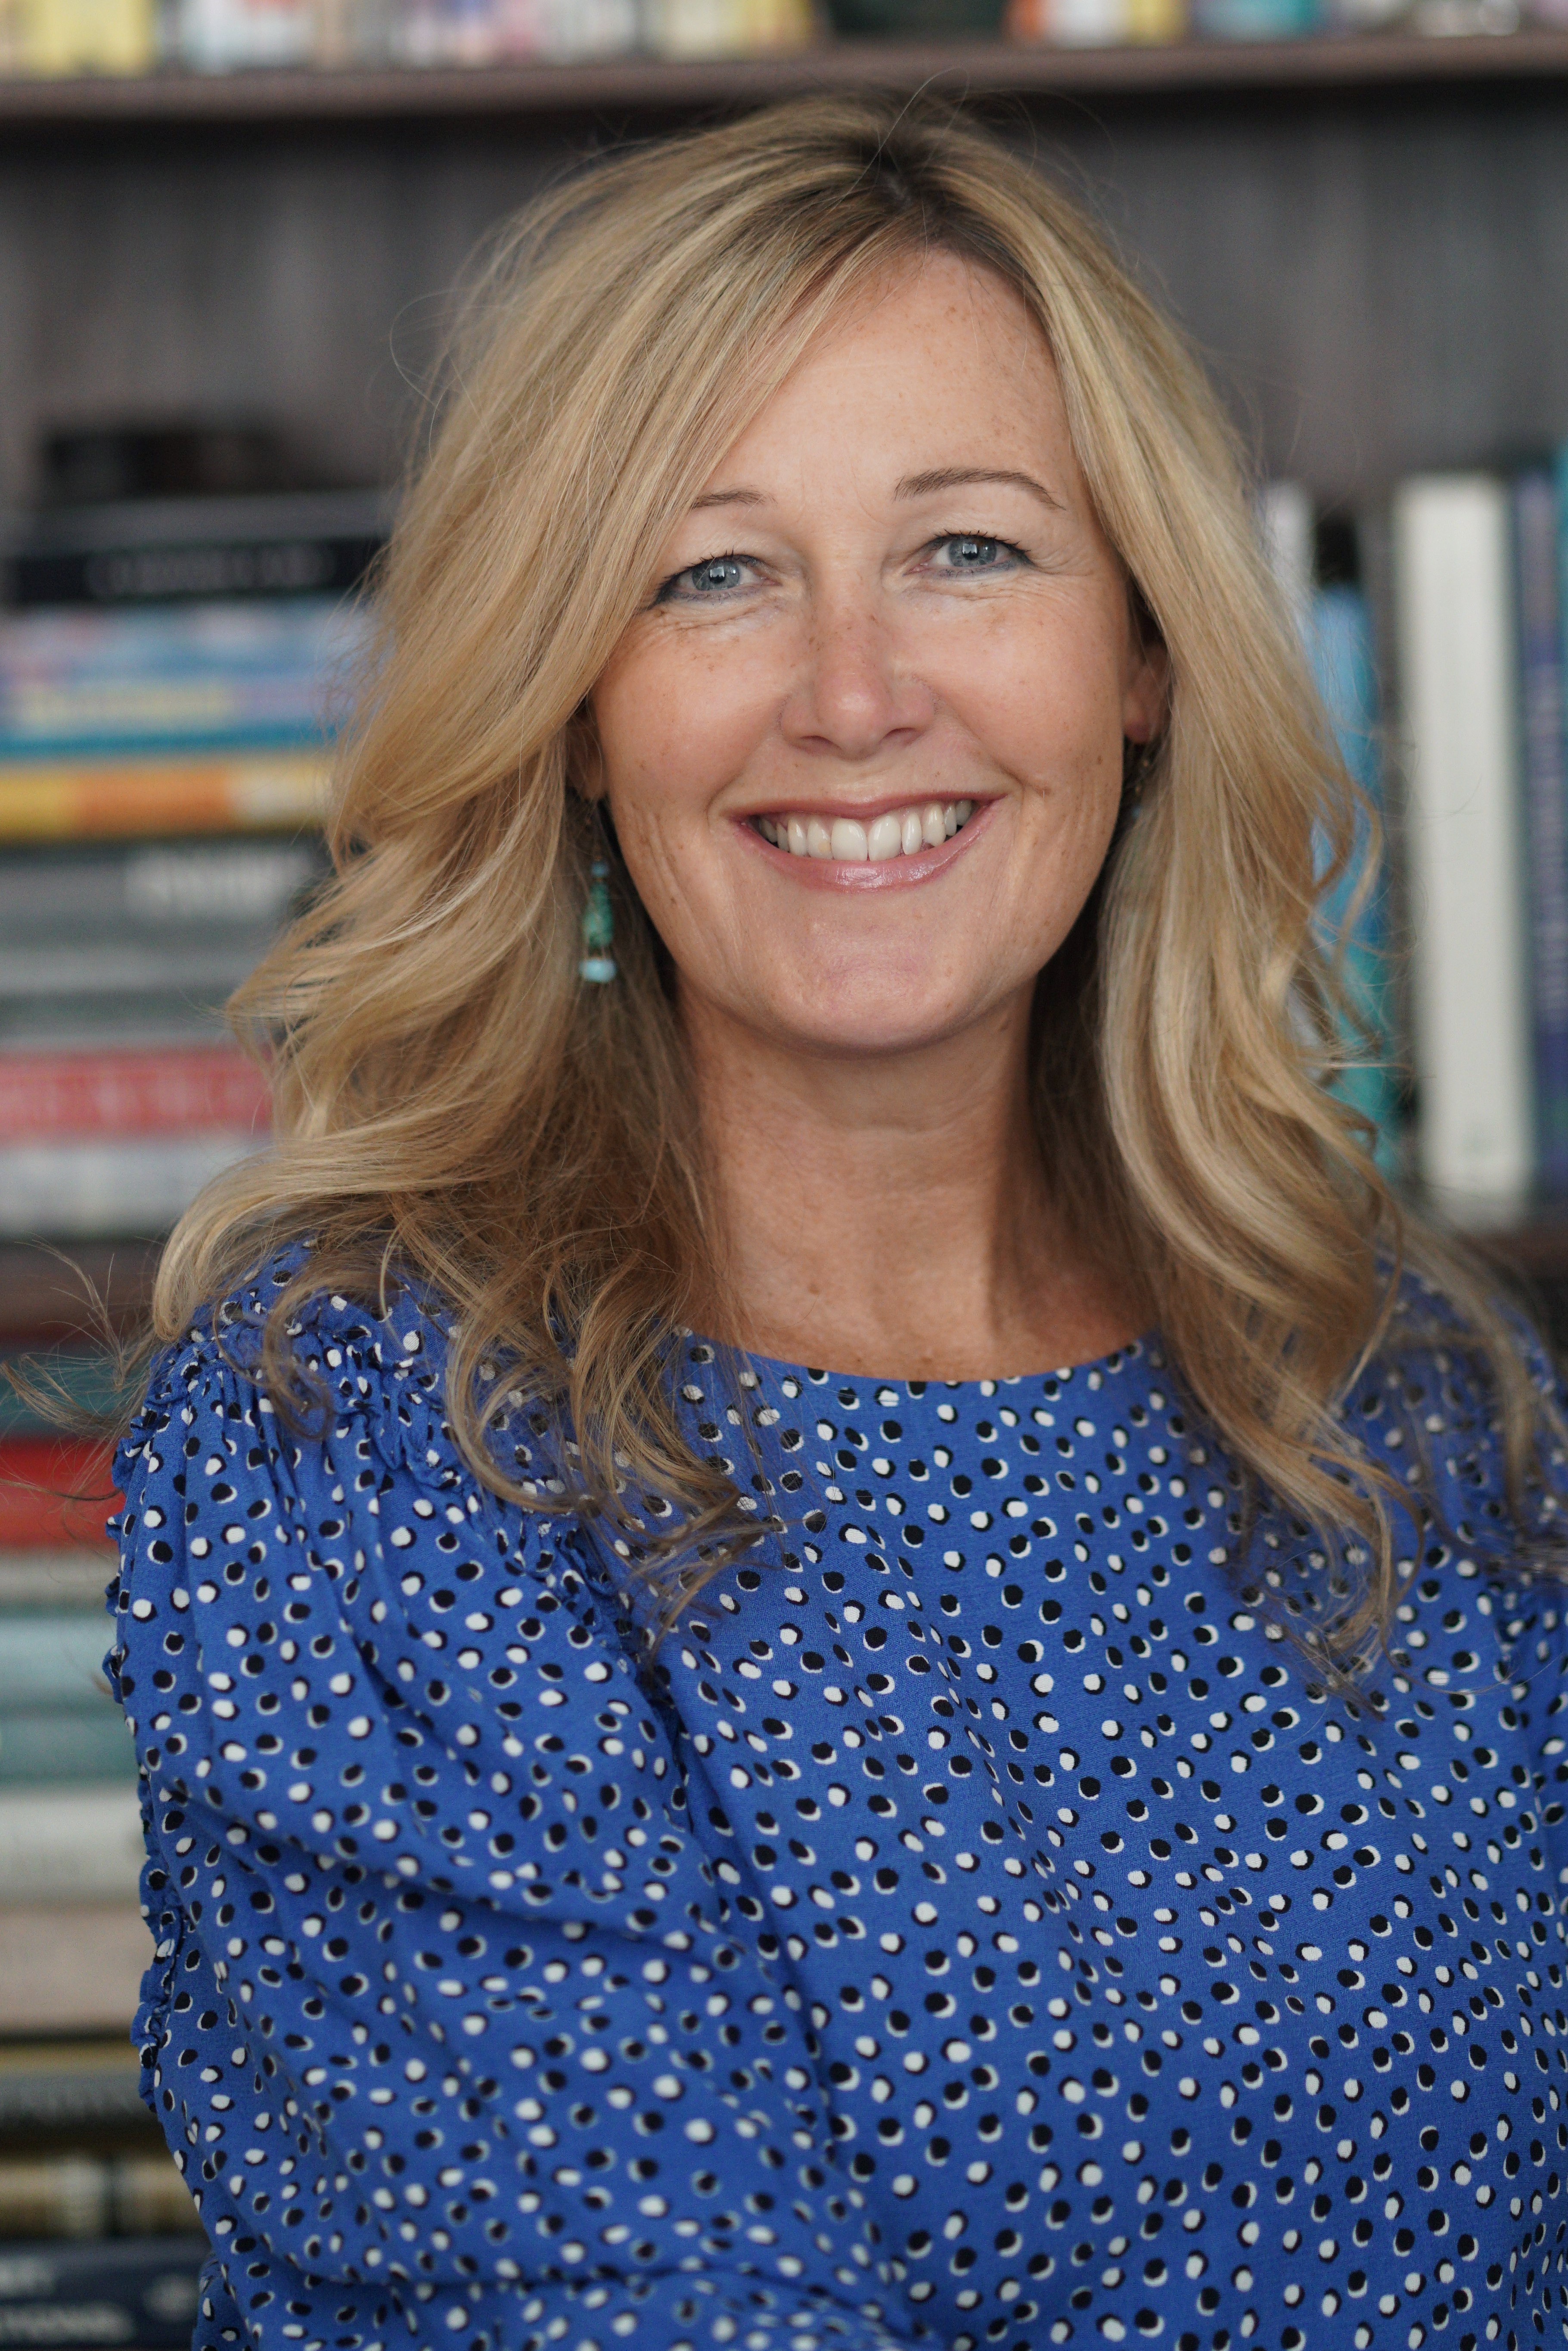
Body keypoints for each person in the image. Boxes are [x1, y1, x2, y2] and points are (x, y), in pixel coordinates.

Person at [109, 93, 1568, 2351]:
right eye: (713, 573)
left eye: (968, 548)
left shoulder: (1419, 1400)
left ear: (1144, 657)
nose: (858, 694)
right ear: (576, 711)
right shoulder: (367, 1435)